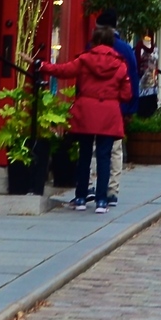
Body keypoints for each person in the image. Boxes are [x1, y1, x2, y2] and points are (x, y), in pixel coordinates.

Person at [40, 27, 133, 212]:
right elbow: (127, 94)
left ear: (94, 41)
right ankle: (101, 201)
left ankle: (81, 197)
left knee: (84, 155)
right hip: (108, 113)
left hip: (86, 111)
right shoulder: (120, 65)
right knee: (104, 157)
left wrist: (41, 65)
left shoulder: (84, 59)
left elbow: (63, 70)